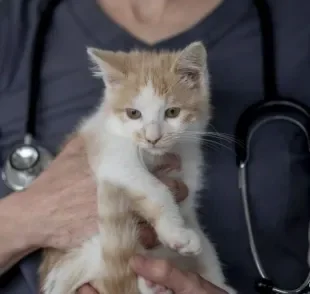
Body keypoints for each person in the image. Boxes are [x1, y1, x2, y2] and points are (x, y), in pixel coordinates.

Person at [0, 0, 309, 293]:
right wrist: (26, 218)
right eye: (134, 114)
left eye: (172, 113)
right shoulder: (15, 19)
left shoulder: (296, 22)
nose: (152, 136)